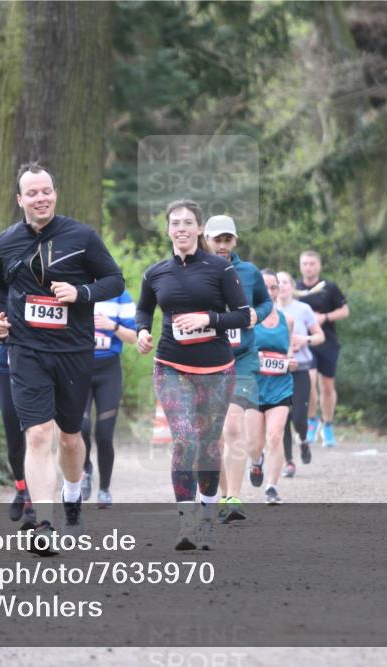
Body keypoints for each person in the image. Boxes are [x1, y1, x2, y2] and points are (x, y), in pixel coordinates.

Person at [0, 162, 124, 555]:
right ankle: (42, 523)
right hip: (25, 350)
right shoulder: (6, 241)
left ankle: (73, 494)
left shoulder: (82, 236)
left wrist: (80, 293)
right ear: (20, 200)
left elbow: (115, 280)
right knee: (38, 434)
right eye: (32, 193)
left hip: (73, 351)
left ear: (55, 193)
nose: (40, 198)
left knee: (70, 437)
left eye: (46, 191)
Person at [135, 200, 251, 550]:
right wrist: (141, 331)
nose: (181, 228)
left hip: (216, 369)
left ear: (199, 229)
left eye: (188, 223)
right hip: (171, 366)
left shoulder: (219, 268)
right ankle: (186, 522)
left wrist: (208, 319)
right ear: (168, 230)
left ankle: (207, 515)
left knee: (207, 446)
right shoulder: (156, 273)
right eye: (175, 223)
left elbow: (244, 316)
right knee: (184, 440)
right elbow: (144, 309)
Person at [202, 214, 272, 523]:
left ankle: (234, 498)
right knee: (214, 435)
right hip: (207, 357)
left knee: (232, 426)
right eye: (216, 239)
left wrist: (257, 314)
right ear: (206, 239)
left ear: (235, 241)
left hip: (242, 358)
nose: (222, 245)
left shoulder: (249, 272)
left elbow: (266, 303)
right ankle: (221, 494)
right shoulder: (195, 270)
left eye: (227, 239)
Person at [0, 297, 34, 526]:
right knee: (14, 438)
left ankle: (34, 499)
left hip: (38, 360)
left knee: (35, 433)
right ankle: (21, 487)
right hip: (6, 361)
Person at [80, 290, 137, 509]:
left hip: (109, 371)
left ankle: (104, 489)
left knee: (104, 434)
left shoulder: (119, 295)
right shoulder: (75, 287)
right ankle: (85, 469)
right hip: (79, 369)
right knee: (81, 428)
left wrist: (110, 325)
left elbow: (133, 337)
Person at [296, 250, 349, 448]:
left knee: (326, 386)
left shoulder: (329, 287)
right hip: (304, 344)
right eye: (305, 263)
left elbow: (345, 311)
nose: (308, 267)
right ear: (300, 266)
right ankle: (311, 421)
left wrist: (325, 317)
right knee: (308, 383)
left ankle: (327, 425)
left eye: (312, 263)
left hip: (327, 342)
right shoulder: (295, 289)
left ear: (319, 265)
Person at [275, 271, 325, 477]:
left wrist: (304, 340)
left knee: (299, 417)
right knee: (282, 418)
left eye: (285, 282)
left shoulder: (303, 309)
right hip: (277, 371)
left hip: (302, 368)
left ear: (292, 286)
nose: (282, 286)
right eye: (277, 283)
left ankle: (303, 440)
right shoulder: (268, 310)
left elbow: (320, 336)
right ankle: (289, 462)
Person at [254, 270, 295, 504]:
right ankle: (256, 459)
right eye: (265, 287)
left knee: (275, 434)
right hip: (255, 387)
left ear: (279, 291)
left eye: (273, 287)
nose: (269, 292)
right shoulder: (248, 320)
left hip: (280, 386)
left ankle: (271, 487)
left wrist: (290, 361)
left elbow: (288, 352)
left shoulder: (287, 320)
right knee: (255, 441)